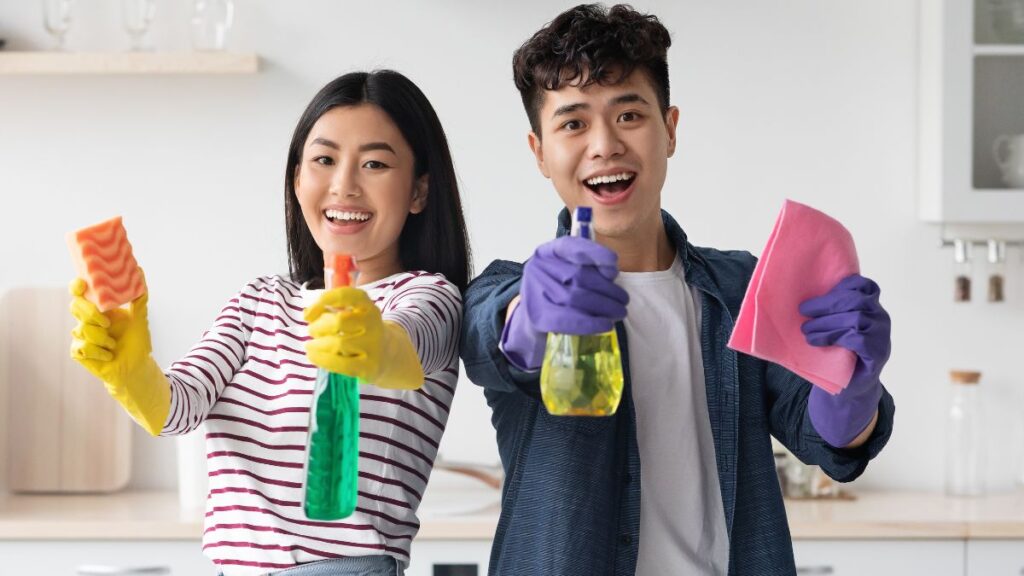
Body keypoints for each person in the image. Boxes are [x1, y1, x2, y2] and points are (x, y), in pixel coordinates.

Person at [459, 5, 894, 575]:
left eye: (629, 115)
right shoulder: (505, 288)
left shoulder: (741, 288)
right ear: (539, 151)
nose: (604, 144)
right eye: (572, 123)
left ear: (669, 130)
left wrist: (853, 383)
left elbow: (831, 443)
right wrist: (531, 318)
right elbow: (494, 333)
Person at [68, 69, 470, 576]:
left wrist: (375, 345)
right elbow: (176, 410)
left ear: (418, 191)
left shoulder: (428, 298)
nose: (344, 185)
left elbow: (406, 347)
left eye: (374, 164)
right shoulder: (258, 301)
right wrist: (129, 372)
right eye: (324, 159)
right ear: (298, 179)